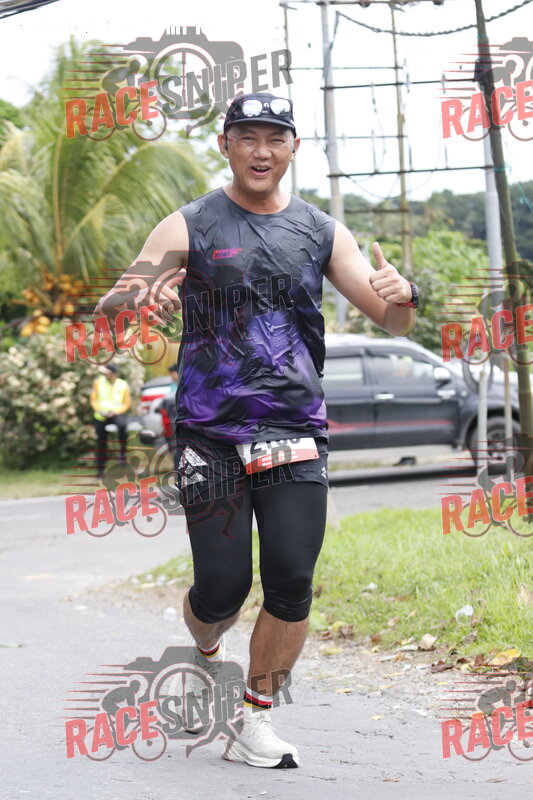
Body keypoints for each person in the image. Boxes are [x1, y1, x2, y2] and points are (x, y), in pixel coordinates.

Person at [94, 91, 417, 769]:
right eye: (247, 137)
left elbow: (391, 320)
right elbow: (111, 306)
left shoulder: (322, 231)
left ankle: (256, 718)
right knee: (222, 588)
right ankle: (205, 652)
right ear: (226, 145)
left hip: (294, 428)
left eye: (275, 138)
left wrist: (403, 296)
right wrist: (138, 297)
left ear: (294, 147)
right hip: (210, 432)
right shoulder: (190, 224)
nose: (261, 151)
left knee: (292, 579)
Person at [90, 364, 131, 478]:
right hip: (101, 415)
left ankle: (122, 452)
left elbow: (126, 403)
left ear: (113, 374)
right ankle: (100, 470)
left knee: (122, 426)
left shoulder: (123, 384)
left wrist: (116, 412)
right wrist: (100, 410)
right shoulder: (98, 382)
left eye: (107, 373)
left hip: (116, 413)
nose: (105, 374)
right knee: (101, 442)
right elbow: (93, 400)